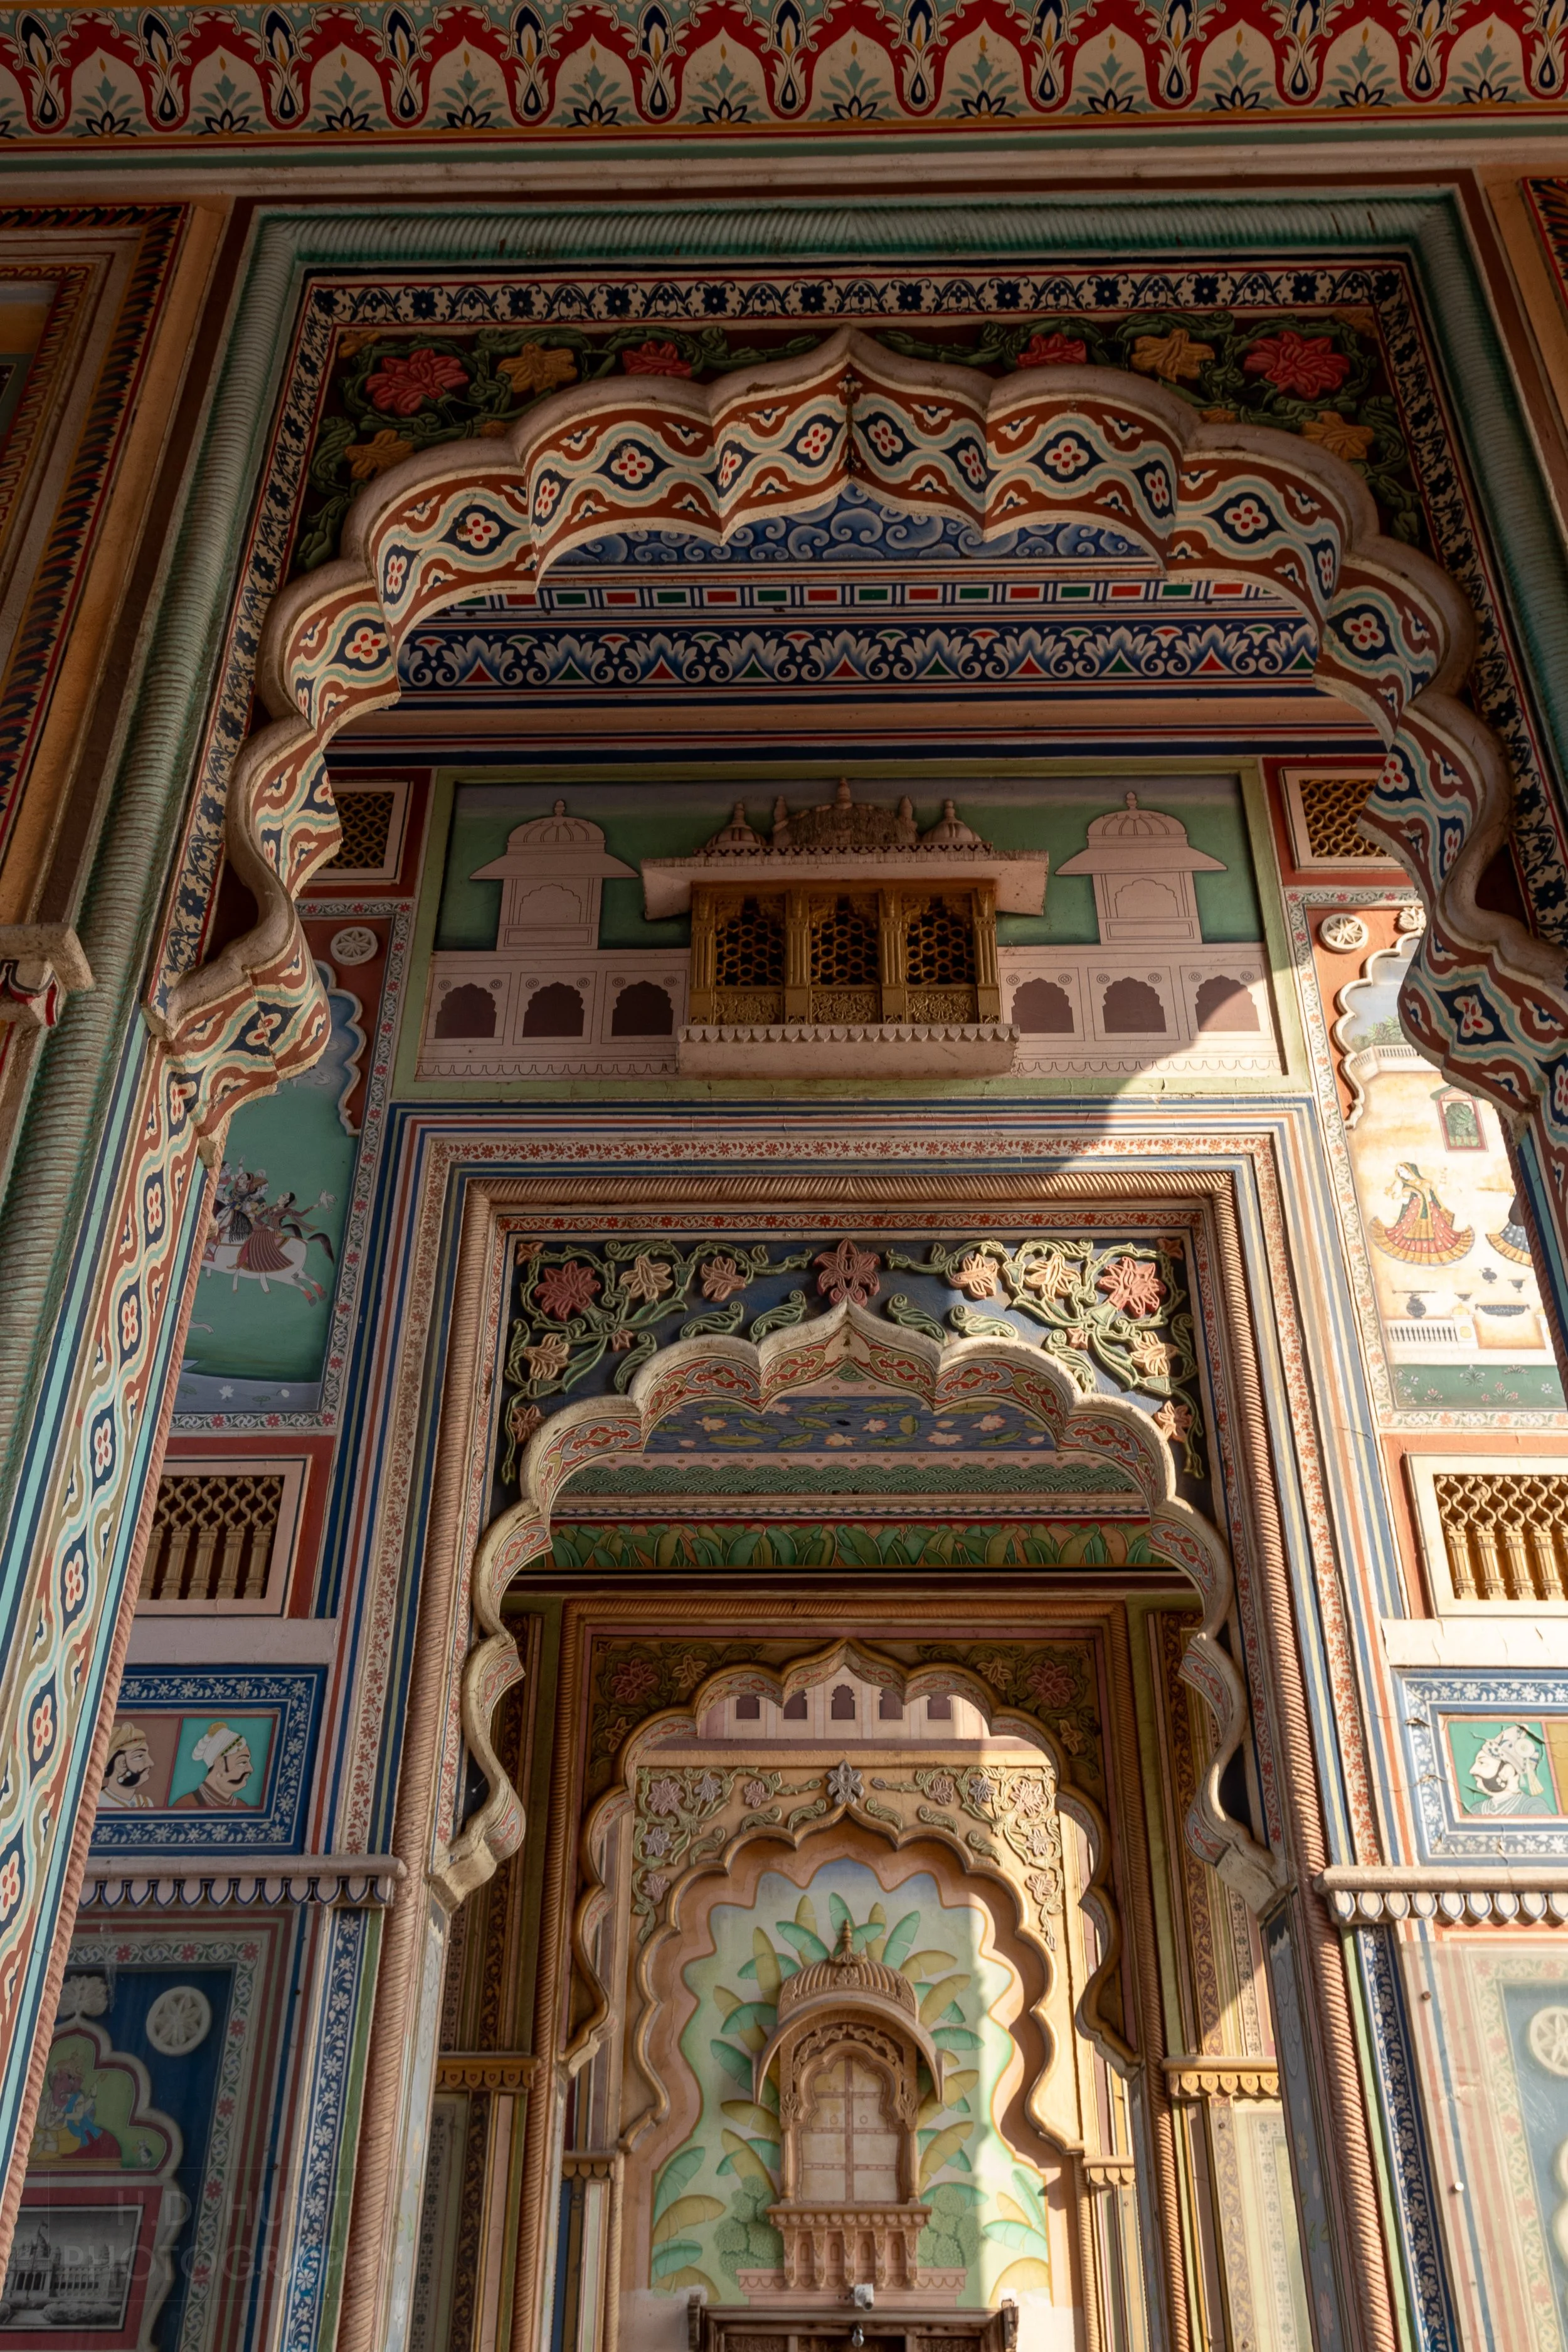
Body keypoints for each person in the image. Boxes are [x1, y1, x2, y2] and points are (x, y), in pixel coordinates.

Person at [173, 1723, 256, 1808]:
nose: (250, 1769)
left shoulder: (241, 1806)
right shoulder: (186, 1805)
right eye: (243, 1762)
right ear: (221, 1764)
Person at [97, 1723, 157, 1811]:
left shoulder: (145, 1803)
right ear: (121, 1763)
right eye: (140, 1756)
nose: (150, 1763)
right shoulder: (98, 1802)